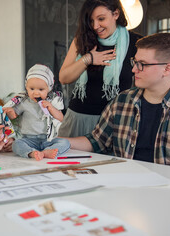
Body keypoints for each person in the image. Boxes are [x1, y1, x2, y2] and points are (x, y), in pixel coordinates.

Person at [67, 32, 170, 173]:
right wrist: (60, 142)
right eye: (134, 62)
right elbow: (96, 141)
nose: (134, 69)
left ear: (167, 69)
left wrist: (157, 186)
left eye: (142, 64)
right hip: (123, 187)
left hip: (169, 195)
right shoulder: (122, 100)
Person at [58, 0, 142, 137]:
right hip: (79, 119)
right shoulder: (82, 39)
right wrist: (88, 59)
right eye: (91, 21)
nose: (95, 26)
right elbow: (63, 78)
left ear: (116, 14)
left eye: (101, 19)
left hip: (116, 122)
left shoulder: (136, 42)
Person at [0, 64, 70, 160]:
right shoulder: (24, 101)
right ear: (26, 87)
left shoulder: (52, 101)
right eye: (31, 89)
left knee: (65, 143)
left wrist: (51, 108)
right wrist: (11, 113)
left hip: (48, 139)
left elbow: (61, 118)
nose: (36, 93)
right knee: (16, 144)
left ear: (49, 88)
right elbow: (14, 116)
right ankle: (31, 153)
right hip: (29, 139)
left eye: (41, 89)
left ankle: (47, 151)